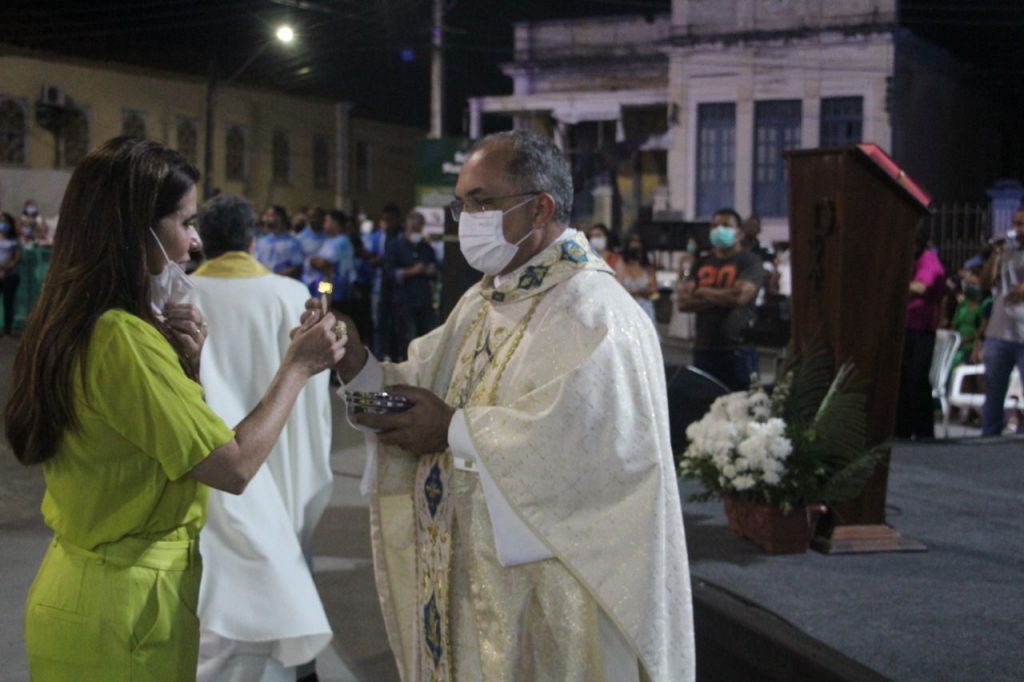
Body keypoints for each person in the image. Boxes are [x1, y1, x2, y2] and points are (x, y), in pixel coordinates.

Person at [322, 129, 694, 681]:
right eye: (461, 205)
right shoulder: (485, 299)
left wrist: (453, 430)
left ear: (539, 208)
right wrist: (355, 363)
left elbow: (598, 459)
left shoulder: (598, 313)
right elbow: (421, 384)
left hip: (547, 594)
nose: (466, 220)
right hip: (466, 579)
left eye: (481, 202)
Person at [4, 136, 345, 680]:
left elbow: (139, 443)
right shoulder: (121, 337)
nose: (195, 242)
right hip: (123, 611)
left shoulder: (80, 321)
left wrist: (186, 368)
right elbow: (232, 466)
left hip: (89, 592)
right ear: (135, 226)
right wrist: (298, 367)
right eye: (185, 223)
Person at [190, 194, 334, 682]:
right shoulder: (290, 296)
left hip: (212, 462)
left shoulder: (181, 297)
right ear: (253, 240)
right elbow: (312, 406)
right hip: (277, 452)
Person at [677, 207, 764, 390]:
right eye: (715, 225)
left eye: (726, 225)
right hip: (704, 348)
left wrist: (701, 290)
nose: (719, 230)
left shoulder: (750, 262)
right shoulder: (701, 263)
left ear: (739, 232)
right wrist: (724, 296)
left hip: (738, 349)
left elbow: (739, 297)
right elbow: (683, 302)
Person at [895, 225, 946, 439]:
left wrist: (897, 283)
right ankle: (902, 430)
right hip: (905, 327)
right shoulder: (909, 259)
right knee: (902, 380)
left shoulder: (928, 260)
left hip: (921, 330)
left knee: (917, 379)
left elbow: (922, 286)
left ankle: (924, 432)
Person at [979, 207, 1024, 435]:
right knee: (993, 396)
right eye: (1015, 223)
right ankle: (989, 441)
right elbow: (986, 283)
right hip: (999, 334)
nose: (1017, 229)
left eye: (1021, 224)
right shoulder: (1007, 252)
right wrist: (995, 255)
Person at [384, 210, 438, 361]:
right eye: (414, 229)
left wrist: (428, 270)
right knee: (407, 339)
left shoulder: (426, 248)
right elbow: (390, 273)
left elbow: (435, 268)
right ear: (407, 227)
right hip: (404, 301)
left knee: (425, 338)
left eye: (419, 229)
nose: (416, 232)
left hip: (424, 300)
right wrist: (412, 271)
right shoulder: (395, 246)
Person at [616, 234, 658, 322]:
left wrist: (635, 291)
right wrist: (640, 291)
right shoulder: (621, 264)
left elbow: (654, 291)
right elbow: (618, 289)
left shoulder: (648, 267)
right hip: (626, 308)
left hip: (645, 309)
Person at [254, 205, 303, 279]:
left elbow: (297, 267)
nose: (266, 219)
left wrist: (275, 277)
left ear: (280, 218)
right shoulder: (261, 241)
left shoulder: (293, 243)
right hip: (261, 279)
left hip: (282, 281)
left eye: (270, 216)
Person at [0, 211, 22, 336]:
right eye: (1, 221)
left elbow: (17, 257)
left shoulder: (14, 240)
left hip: (10, 275)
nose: (3, 224)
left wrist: (7, 267)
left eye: (5, 221)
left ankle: (7, 329)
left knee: (8, 303)